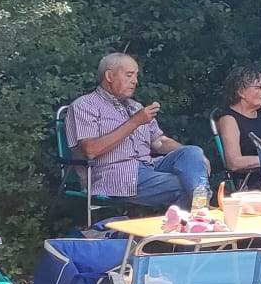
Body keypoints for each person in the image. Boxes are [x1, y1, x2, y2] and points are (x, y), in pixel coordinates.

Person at [66, 52, 211, 209]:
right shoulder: (85, 106)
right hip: (116, 175)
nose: (135, 81)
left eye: (136, 76)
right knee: (186, 185)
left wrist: (198, 160)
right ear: (109, 76)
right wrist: (135, 122)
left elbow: (160, 142)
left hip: (149, 167)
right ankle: (200, 216)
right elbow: (91, 150)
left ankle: (198, 213)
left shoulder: (135, 107)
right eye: (129, 75)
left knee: (192, 152)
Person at [213, 66, 261, 181]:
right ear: (241, 92)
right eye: (259, 87)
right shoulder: (228, 120)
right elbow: (234, 162)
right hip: (255, 182)